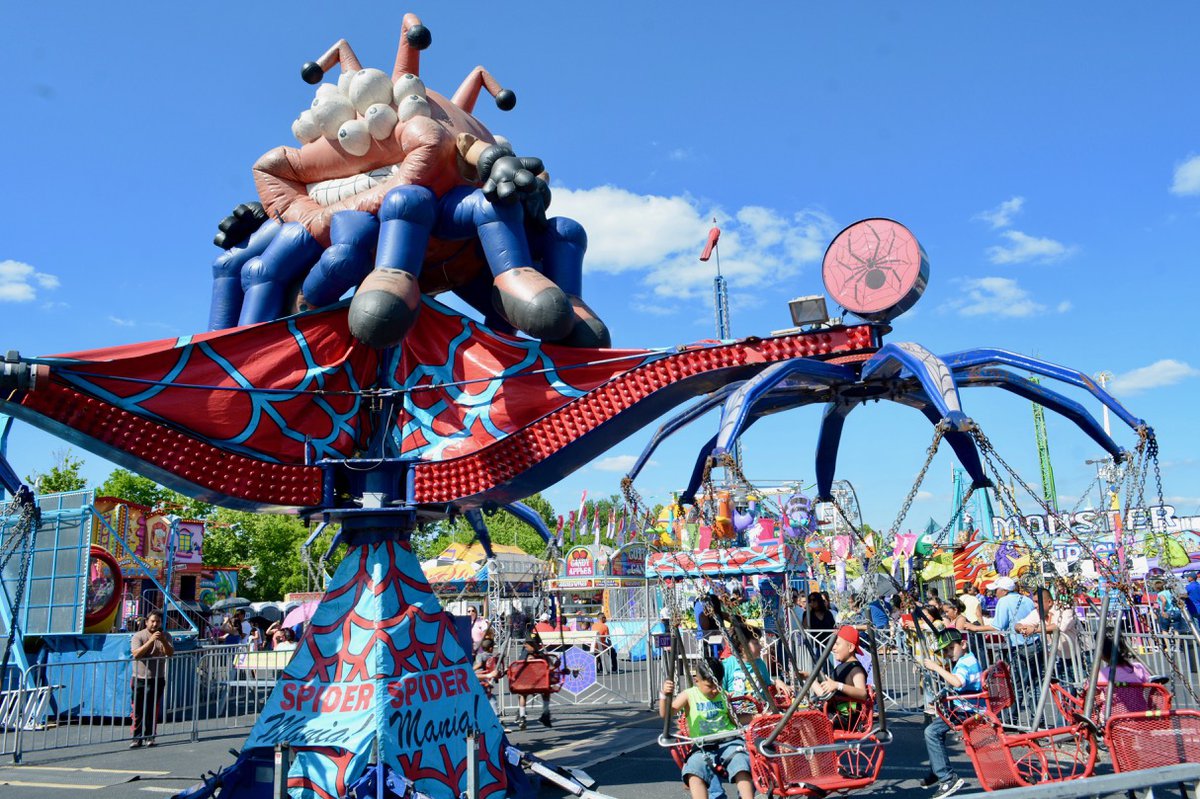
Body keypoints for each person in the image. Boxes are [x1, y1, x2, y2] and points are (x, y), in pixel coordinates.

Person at [660, 661, 754, 799]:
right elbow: (666, 714)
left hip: (729, 740)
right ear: (696, 680)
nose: (715, 690)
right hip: (702, 745)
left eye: (718, 684)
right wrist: (664, 695)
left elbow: (734, 719)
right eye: (710, 686)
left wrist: (756, 717)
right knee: (694, 770)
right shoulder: (689, 695)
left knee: (741, 762)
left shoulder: (722, 694)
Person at [921, 630, 981, 799]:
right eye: (945, 651)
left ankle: (947, 778)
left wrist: (936, 667)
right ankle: (936, 768)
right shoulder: (966, 659)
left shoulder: (965, 663)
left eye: (950, 648)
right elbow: (956, 685)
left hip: (968, 711)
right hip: (963, 707)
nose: (947, 654)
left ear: (963, 644)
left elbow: (957, 681)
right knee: (930, 726)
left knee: (931, 732)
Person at [809, 625, 870, 730]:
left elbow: (863, 693)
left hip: (845, 718)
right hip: (834, 714)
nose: (833, 648)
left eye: (837, 644)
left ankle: (807, 746)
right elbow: (825, 696)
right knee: (801, 717)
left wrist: (838, 685)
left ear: (850, 647)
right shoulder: (841, 667)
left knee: (805, 721)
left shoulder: (855, 669)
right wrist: (809, 678)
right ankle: (809, 746)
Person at [130, 610, 174, 748]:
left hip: (157, 678)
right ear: (147, 622)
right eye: (153, 621)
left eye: (158, 622)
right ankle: (136, 738)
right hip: (139, 678)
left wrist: (163, 641)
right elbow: (136, 654)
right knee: (138, 710)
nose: (155, 624)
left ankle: (150, 736)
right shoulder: (138, 636)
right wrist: (151, 640)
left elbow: (170, 653)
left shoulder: (166, 635)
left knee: (152, 709)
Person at [516, 632, 557, 730]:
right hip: (538, 683)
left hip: (529, 683)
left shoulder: (525, 656)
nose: (526, 646)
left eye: (530, 644)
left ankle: (522, 715)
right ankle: (544, 713)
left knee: (522, 694)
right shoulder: (539, 655)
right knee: (545, 691)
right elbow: (551, 667)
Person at [474, 636, 504, 719]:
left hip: (480, 676)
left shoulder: (480, 656)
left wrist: (472, 669)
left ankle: (495, 717)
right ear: (490, 648)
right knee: (490, 698)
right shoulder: (491, 657)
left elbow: (479, 664)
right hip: (484, 678)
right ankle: (496, 717)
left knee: (489, 698)